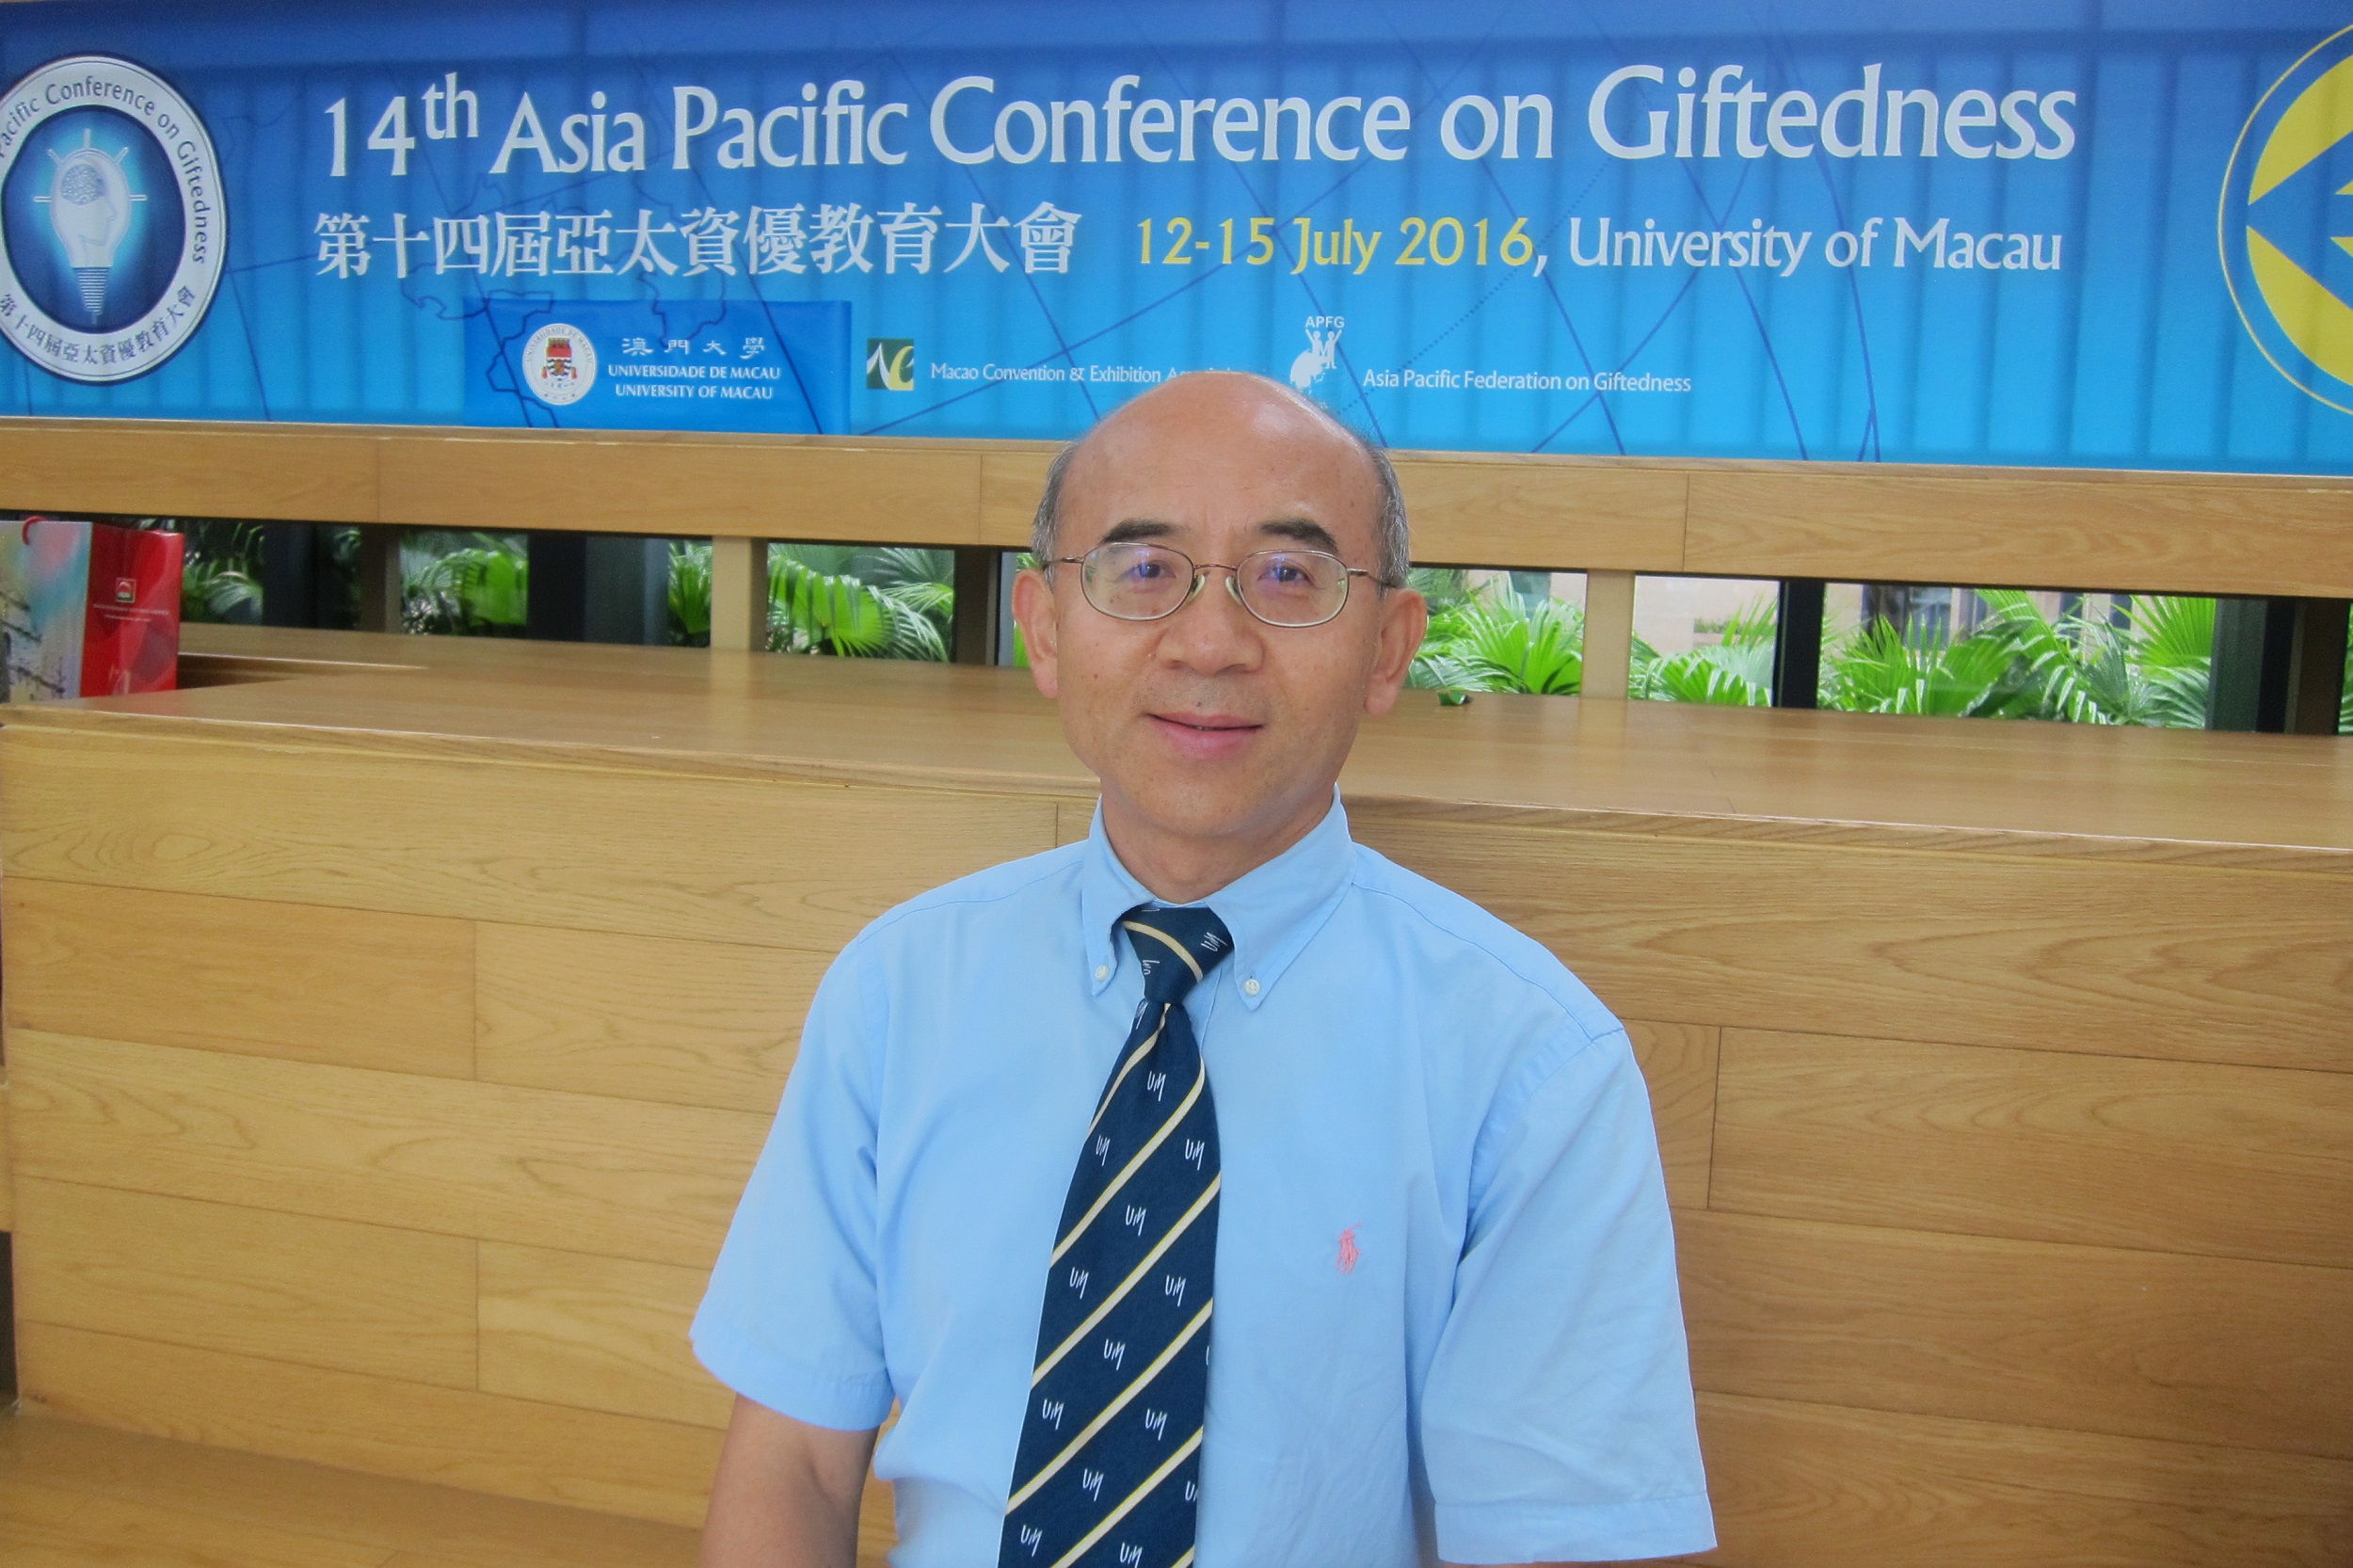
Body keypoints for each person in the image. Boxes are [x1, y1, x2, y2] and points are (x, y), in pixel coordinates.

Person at [693, 372, 1713, 1568]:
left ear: (1387, 649)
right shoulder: (897, 991)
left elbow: (1559, 1545)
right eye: (1143, 569)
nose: (1212, 642)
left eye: (1287, 576)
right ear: (1043, 629)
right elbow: (795, 1458)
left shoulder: (1531, 1069)